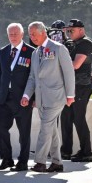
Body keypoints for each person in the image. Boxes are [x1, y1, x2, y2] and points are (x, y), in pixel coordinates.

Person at [21, 21, 75, 173]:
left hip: (56, 97)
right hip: (41, 99)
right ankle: (57, 162)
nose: (31, 37)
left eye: (34, 34)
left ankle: (40, 162)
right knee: (51, 130)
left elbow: (69, 72)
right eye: (30, 34)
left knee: (45, 129)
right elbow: (32, 77)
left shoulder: (59, 49)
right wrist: (27, 95)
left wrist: (70, 94)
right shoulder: (35, 52)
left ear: (43, 32)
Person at [0, 23, 35, 172]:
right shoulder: (3, 51)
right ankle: (6, 159)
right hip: (4, 98)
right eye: (10, 34)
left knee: (24, 132)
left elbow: (34, 77)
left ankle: (22, 162)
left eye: (16, 34)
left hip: (22, 99)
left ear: (22, 35)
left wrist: (31, 97)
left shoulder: (31, 52)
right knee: (1, 128)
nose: (13, 36)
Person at [60, 19, 92, 162]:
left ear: (81, 29)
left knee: (79, 119)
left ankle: (86, 152)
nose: (69, 33)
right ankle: (66, 151)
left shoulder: (86, 43)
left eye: (72, 30)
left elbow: (75, 65)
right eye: (68, 30)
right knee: (66, 118)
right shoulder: (72, 44)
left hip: (81, 86)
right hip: (71, 86)